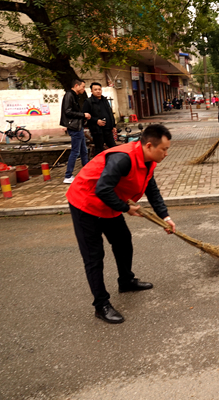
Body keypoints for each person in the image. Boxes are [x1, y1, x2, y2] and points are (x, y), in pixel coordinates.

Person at [66, 124, 176, 324]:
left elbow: (152, 189)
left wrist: (165, 217)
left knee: (123, 240)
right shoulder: (123, 158)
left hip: (109, 202)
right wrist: (126, 209)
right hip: (85, 202)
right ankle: (101, 305)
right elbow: (102, 189)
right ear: (149, 146)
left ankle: (126, 281)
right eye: (164, 149)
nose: (167, 153)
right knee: (94, 255)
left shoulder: (148, 161)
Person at [61, 79, 91, 184]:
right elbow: (68, 111)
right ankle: (68, 175)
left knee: (84, 150)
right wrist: (83, 115)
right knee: (75, 151)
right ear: (76, 85)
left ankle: (87, 172)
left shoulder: (74, 95)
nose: (84, 89)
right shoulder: (69, 95)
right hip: (74, 127)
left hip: (78, 126)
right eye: (82, 87)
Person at [83, 82, 117, 157]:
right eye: (95, 90)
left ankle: (114, 163)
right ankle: (99, 165)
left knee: (113, 147)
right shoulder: (88, 102)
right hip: (97, 130)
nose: (98, 91)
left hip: (107, 128)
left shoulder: (104, 100)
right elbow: (85, 116)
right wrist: (96, 121)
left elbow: (110, 113)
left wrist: (113, 125)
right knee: (99, 149)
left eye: (99, 89)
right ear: (91, 91)